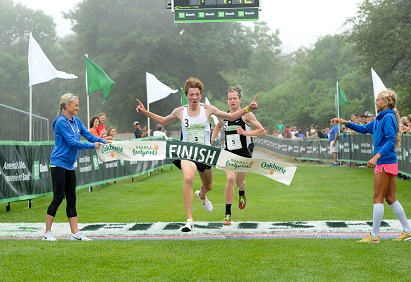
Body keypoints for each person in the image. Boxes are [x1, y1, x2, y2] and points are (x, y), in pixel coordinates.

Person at [135, 77, 258, 232]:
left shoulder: (208, 109)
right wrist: (145, 111)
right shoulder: (180, 111)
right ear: (187, 95)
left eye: (197, 94)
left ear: (200, 95)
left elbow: (232, 117)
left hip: (205, 155)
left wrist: (247, 109)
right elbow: (163, 120)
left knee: (208, 186)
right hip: (187, 153)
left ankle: (202, 196)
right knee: (188, 178)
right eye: (191, 95)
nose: (194, 97)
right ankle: (189, 220)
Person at [333, 89, 411, 243]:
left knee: (377, 198)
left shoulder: (387, 117)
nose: (376, 102)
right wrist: (345, 122)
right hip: (387, 161)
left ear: (386, 102)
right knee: (390, 198)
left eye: (378, 100)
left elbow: (391, 140)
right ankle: (408, 231)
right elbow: (365, 129)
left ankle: (374, 235)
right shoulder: (381, 117)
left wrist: (376, 157)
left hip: (385, 161)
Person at [43, 93, 111, 241]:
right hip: (58, 163)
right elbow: (72, 142)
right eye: (76, 105)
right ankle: (47, 233)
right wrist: (93, 145)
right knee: (58, 197)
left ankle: (75, 233)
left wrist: (103, 141)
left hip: (69, 165)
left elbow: (88, 135)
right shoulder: (61, 122)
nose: (78, 108)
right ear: (67, 106)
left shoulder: (77, 121)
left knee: (72, 198)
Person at [211, 86, 266, 226]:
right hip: (228, 153)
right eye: (230, 99)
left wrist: (246, 133)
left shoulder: (247, 115)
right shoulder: (225, 115)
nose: (232, 101)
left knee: (239, 183)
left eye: (235, 98)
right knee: (230, 179)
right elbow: (218, 126)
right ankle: (227, 213)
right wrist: (210, 140)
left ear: (240, 100)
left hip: (244, 155)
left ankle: (242, 191)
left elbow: (262, 131)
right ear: (227, 101)